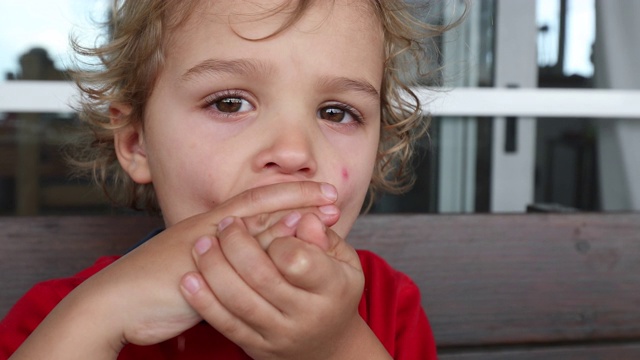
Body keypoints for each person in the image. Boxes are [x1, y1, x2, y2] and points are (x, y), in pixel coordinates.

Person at [1, 0, 460, 358]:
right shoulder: (60, 317)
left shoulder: (387, 305)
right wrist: (100, 317)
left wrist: (336, 348)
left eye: (336, 112)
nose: (293, 152)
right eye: (229, 103)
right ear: (137, 143)